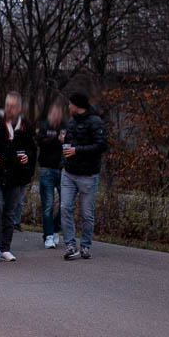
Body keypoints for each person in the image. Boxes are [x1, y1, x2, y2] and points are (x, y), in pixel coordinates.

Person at [0, 91, 37, 263]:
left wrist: (28, 158)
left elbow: (31, 147)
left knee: (9, 212)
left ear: (19, 107)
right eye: (7, 105)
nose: (10, 109)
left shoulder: (25, 125)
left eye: (13, 106)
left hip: (16, 175)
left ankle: (6, 247)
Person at [60, 92, 108, 260]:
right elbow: (69, 144)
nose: (68, 107)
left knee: (87, 213)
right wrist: (64, 141)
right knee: (65, 208)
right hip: (68, 172)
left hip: (88, 174)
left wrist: (77, 150)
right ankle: (70, 245)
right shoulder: (71, 122)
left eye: (70, 104)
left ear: (77, 105)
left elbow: (101, 145)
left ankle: (86, 245)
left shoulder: (95, 122)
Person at [35, 101, 65, 248]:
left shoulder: (64, 127)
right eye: (54, 114)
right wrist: (55, 139)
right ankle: (47, 236)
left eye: (58, 114)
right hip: (46, 168)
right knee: (48, 205)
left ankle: (55, 229)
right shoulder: (43, 126)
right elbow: (39, 141)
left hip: (62, 169)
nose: (56, 117)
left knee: (65, 204)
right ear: (50, 114)